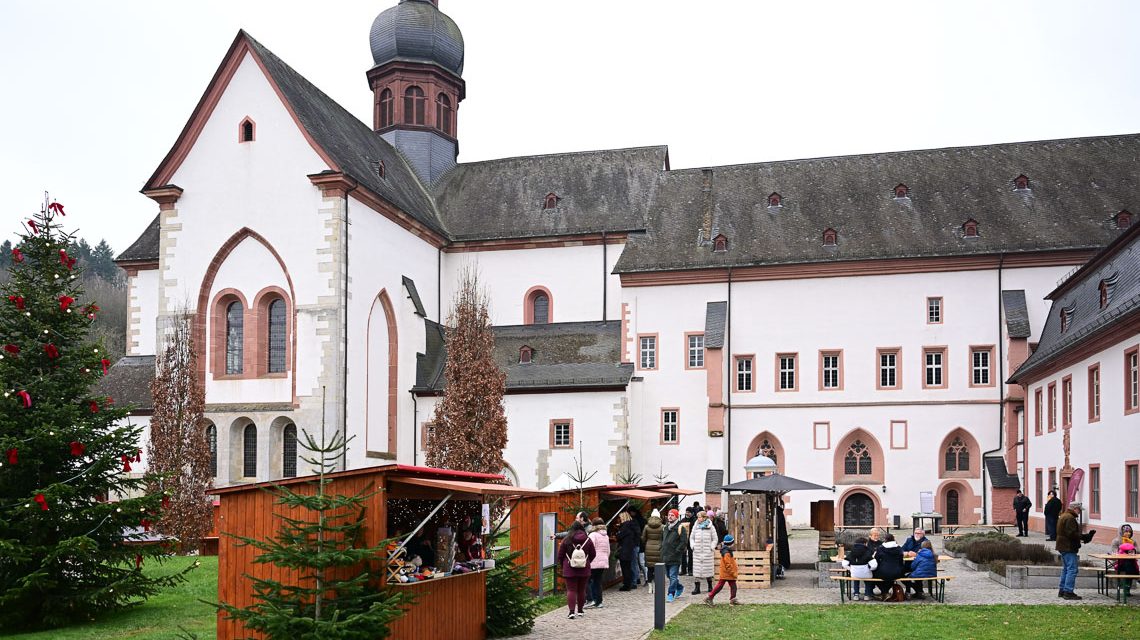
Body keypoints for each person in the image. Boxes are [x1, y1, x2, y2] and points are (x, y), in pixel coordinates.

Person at [1056, 501, 1094, 600]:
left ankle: (1062, 590)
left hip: (1062, 546)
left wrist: (1084, 537)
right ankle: (1068, 591)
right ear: (1075, 508)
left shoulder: (1064, 515)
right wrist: (1085, 537)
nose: (1080, 512)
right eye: (1079, 510)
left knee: (1066, 569)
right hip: (1068, 546)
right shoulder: (1070, 518)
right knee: (1072, 569)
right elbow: (1072, 534)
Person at [557, 520, 596, 619]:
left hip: (569, 569)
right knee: (581, 590)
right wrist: (586, 562)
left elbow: (560, 555)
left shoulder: (567, 539)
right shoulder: (587, 540)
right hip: (584, 569)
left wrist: (564, 565)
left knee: (571, 590)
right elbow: (593, 554)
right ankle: (580, 611)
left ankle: (571, 612)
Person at [703, 534, 740, 606]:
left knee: (732, 586)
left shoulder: (727, 551)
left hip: (727, 573)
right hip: (727, 573)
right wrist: (733, 573)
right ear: (731, 543)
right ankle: (709, 597)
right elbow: (728, 564)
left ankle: (733, 599)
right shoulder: (726, 553)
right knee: (720, 586)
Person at [661, 508, 689, 603]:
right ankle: (679, 587)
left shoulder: (680, 528)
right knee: (669, 575)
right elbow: (663, 540)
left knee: (673, 576)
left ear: (676, 516)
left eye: (672, 515)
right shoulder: (665, 527)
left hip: (675, 557)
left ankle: (670, 593)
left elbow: (684, 541)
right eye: (669, 515)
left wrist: (677, 551)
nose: (670, 516)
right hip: (665, 556)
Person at [689, 510, 717, 595]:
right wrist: (693, 546)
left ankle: (710, 586)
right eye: (698, 517)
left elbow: (715, 539)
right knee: (697, 570)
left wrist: (711, 547)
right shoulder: (695, 526)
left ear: (704, 517)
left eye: (700, 517)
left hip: (707, 552)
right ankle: (697, 588)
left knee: (708, 570)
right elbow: (691, 537)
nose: (698, 518)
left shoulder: (710, 526)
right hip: (697, 552)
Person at [584, 518, 610, 609]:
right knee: (598, 581)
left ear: (593, 525)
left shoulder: (593, 535)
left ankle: (591, 600)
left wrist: (587, 559)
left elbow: (589, 549)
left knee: (587, 580)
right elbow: (608, 550)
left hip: (593, 561)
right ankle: (599, 602)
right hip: (603, 561)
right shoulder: (606, 536)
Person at [841, 536, 876, 602]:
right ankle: (866, 595)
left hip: (855, 573)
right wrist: (870, 569)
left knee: (856, 580)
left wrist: (850, 568)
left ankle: (856, 595)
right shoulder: (867, 552)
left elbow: (844, 563)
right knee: (868, 581)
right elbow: (874, 565)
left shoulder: (852, 552)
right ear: (865, 543)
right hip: (866, 573)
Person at [871, 532, 905, 599]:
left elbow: (876, 560)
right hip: (897, 572)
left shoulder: (881, 548)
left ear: (885, 540)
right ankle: (885, 592)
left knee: (873, 575)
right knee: (891, 577)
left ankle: (884, 592)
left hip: (883, 571)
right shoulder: (899, 548)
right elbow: (901, 561)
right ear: (893, 539)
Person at [616, 511, 640, 591]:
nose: (619, 519)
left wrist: (618, 531)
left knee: (625, 568)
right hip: (630, 548)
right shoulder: (631, 525)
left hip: (625, 549)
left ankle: (627, 585)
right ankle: (632, 582)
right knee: (630, 566)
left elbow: (619, 536)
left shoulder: (625, 526)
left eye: (620, 518)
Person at [641, 508, 664, 588]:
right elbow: (664, 538)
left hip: (649, 548)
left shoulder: (646, 527)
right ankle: (658, 585)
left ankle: (650, 587)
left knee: (650, 569)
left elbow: (643, 539)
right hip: (659, 548)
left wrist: (646, 544)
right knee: (659, 567)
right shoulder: (662, 527)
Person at [631, 507, 648, 585]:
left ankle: (644, 578)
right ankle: (646, 578)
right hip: (641, 544)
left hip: (639, 543)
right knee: (640, 562)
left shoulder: (634, 522)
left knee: (639, 562)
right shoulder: (643, 521)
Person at [680, 507, 695, 576]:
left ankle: (690, 570)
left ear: (692, 513)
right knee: (683, 555)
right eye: (686, 512)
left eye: (688, 512)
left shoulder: (694, 520)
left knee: (690, 555)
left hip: (691, 540)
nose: (687, 513)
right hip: (684, 540)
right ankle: (683, 570)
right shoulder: (683, 520)